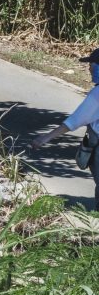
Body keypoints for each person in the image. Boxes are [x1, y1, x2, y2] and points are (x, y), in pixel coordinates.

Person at [28, 46, 99, 204]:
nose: (89, 68)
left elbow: (75, 121)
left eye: (92, 64)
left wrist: (45, 138)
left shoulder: (97, 94)